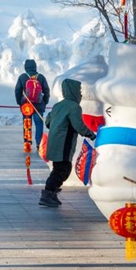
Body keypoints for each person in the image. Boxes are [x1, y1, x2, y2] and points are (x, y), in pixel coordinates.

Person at [39, 78, 97, 207]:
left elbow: (48, 122)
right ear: (73, 91)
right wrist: (90, 134)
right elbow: (78, 124)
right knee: (63, 169)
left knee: (59, 168)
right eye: (79, 90)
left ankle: (51, 193)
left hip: (55, 142)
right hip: (63, 143)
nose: (80, 94)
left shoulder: (57, 106)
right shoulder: (74, 107)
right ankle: (48, 194)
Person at [14, 59, 50, 150]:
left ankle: (27, 141)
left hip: (26, 105)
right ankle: (39, 143)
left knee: (27, 122)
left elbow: (17, 91)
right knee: (38, 124)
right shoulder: (41, 77)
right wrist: (44, 102)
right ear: (35, 66)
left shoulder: (22, 77)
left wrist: (20, 102)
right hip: (39, 104)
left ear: (25, 67)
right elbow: (46, 91)